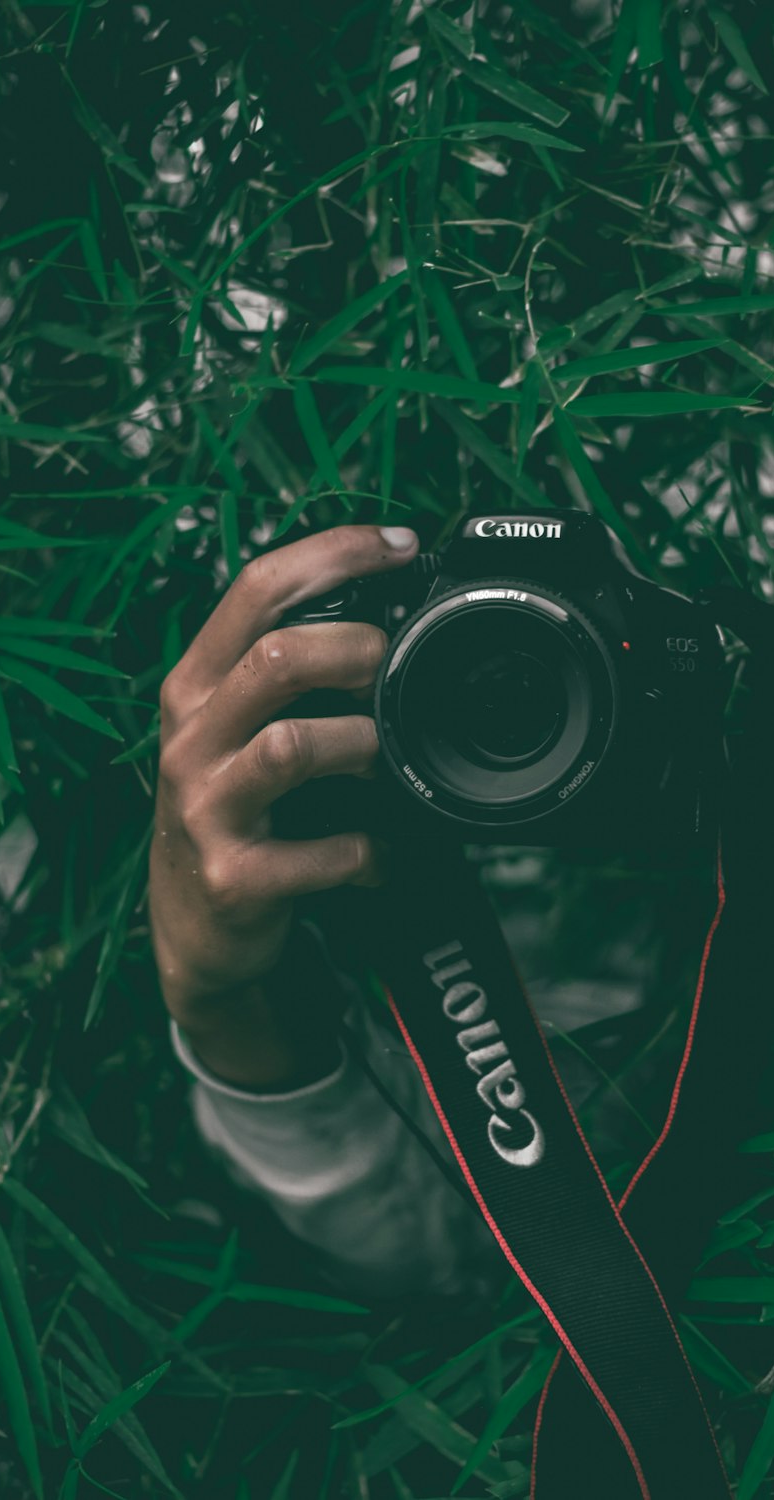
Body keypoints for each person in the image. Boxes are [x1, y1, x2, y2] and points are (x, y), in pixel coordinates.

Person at [149, 521, 657, 1298]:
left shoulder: (679, 870)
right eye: (430, 620)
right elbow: (442, 1250)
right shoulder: (317, 814)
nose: (506, 699)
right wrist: (221, 998)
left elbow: (476, 1251)